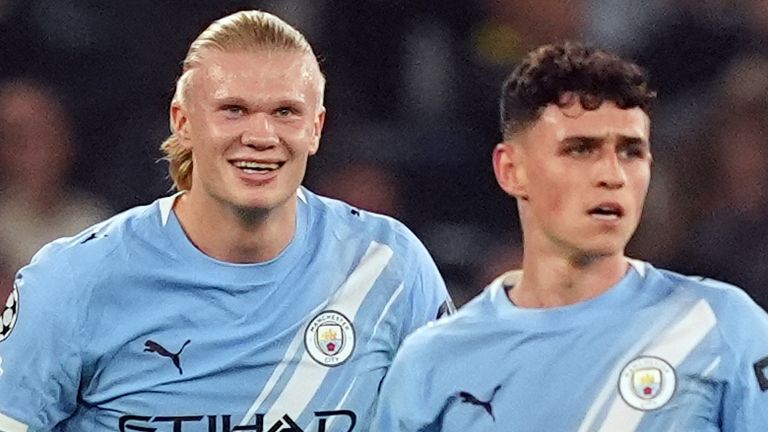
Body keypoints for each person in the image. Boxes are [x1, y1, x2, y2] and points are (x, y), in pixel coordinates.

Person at [0, 10, 452, 432]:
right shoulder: (75, 280)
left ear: (315, 128)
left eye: (285, 112)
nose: (260, 136)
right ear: (183, 123)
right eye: (233, 109)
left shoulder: (388, 267)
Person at [372, 42, 768, 431]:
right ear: (511, 170)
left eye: (631, 151)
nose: (612, 175)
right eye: (581, 150)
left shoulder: (723, 328)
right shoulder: (432, 362)